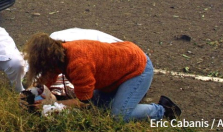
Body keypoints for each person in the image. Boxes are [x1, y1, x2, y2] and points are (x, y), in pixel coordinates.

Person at [23, 29, 182, 122]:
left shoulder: (78, 63)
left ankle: (163, 110)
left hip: (137, 69)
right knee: (97, 106)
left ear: (49, 60)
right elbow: (46, 80)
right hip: (117, 72)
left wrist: (52, 106)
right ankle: (127, 97)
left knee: (119, 115)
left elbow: (83, 102)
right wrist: (29, 94)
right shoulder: (59, 55)